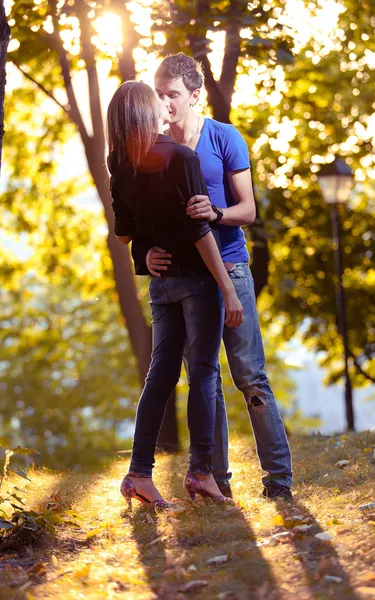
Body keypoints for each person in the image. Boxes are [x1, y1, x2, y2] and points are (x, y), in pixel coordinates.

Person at [145, 53, 293, 501]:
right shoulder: (152, 148)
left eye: (172, 94)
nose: (165, 102)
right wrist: (146, 251)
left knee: (249, 376)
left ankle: (279, 481)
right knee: (205, 382)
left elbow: (248, 210)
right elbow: (143, 216)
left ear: (194, 95)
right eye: (159, 94)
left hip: (230, 268)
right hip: (186, 280)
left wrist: (218, 212)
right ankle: (218, 481)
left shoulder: (224, 137)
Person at [106, 80, 243, 509]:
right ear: (148, 111)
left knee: (160, 376)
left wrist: (147, 252)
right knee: (203, 373)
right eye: (157, 100)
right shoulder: (181, 157)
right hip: (197, 281)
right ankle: (201, 473)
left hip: (161, 285)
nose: (166, 104)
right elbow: (198, 229)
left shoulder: (119, 163)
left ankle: (139, 474)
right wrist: (228, 289)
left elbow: (125, 231)